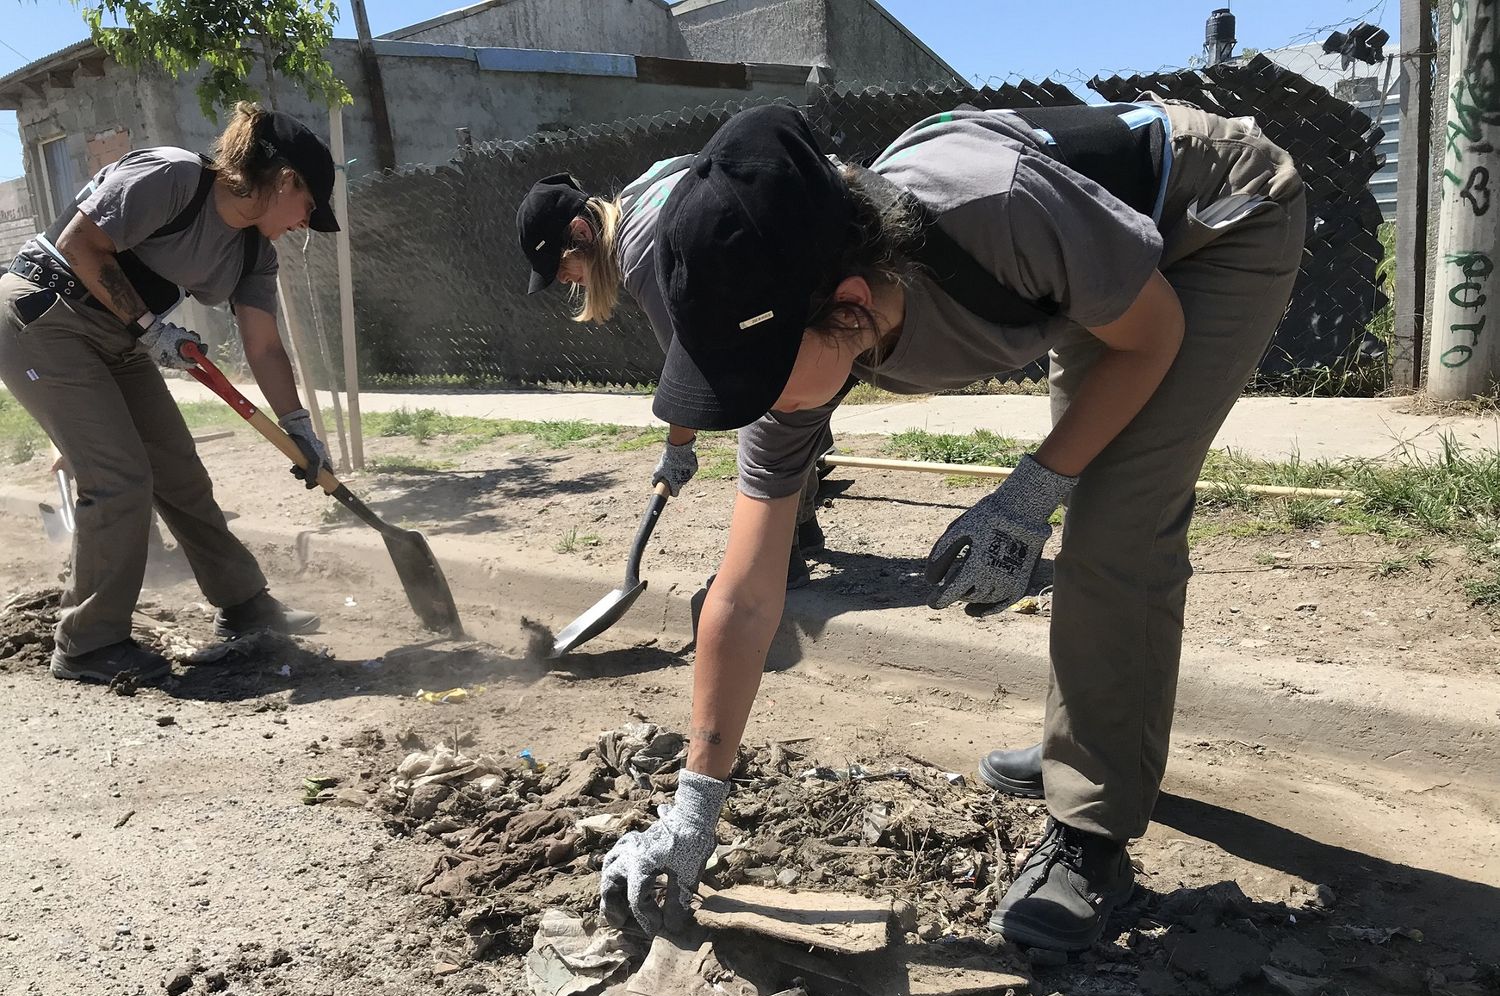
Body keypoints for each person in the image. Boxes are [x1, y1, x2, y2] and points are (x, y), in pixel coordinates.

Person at [598, 102, 1305, 951]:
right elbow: (745, 592)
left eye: (758, 372)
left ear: (851, 309)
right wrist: (691, 815)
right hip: (1094, 263)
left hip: (1215, 217)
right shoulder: (800, 320)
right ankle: (1089, 741)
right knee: (1086, 473)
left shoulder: (993, 213)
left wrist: (1029, 491)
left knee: (1114, 519)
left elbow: (1149, 337)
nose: (755, 402)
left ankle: (1093, 839)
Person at [0, 103, 340, 685]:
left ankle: (244, 604)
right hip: (45, 316)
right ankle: (88, 643)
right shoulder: (173, 177)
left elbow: (263, 346)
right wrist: (153, 329)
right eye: (309, 206)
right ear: (286, 181)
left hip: (121, 337)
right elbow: (82, 245)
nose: (306, 222)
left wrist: (299, 426)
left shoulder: (255, 251)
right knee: (120, 479)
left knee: (179, 473)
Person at [515, 164, 829, 587]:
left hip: (807, 269)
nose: (563, 279)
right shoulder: (643, 188)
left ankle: (778, 559)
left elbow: (691, 366)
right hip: (803, 244)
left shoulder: (641, 255)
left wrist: (678, 448)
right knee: (779, 396)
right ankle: (805, 528)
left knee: (764, 406)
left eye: (560, 266)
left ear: (581, 233)